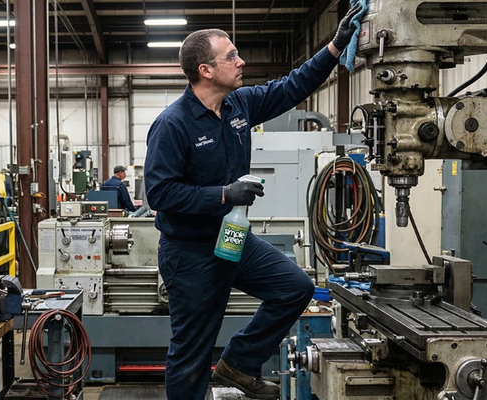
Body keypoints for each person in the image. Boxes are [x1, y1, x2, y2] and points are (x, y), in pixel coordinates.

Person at [143, 4, 363, 400]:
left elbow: (292, 86)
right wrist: (225, 194)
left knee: (295, 287)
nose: (241, 61)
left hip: (231, 238)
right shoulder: (173, 124)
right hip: (190, 251)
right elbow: (159, 194)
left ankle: (240, 363)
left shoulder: (239, 105)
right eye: (231, 56)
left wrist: (333, 48)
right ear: (206, 70)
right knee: (192, 352)